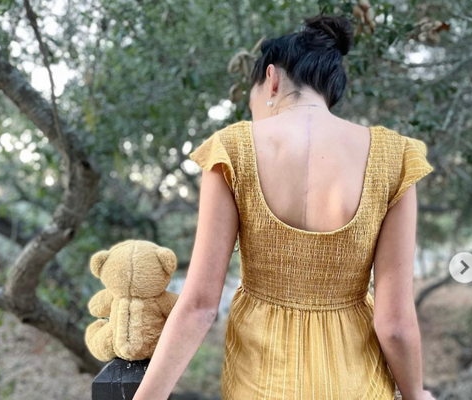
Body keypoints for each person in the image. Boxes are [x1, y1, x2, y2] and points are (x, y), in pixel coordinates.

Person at [133, 13, 436, 400]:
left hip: (259, 385)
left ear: (272, 79)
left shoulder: (233, 150)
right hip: (356, 385)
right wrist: (416, 394)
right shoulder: (395, 158)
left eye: (253, 101)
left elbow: (199, 307)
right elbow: (394, 324)